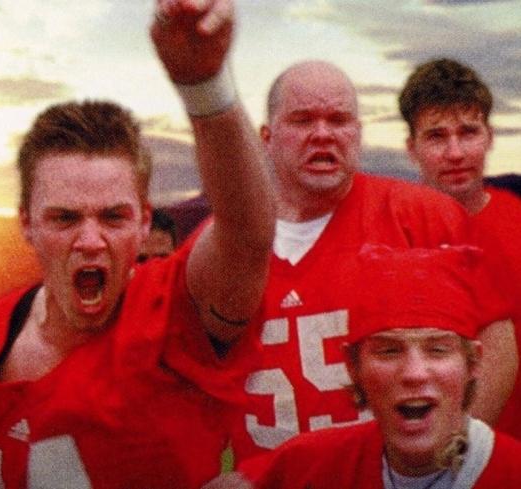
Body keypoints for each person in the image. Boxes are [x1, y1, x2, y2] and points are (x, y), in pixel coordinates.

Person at [0, 1, 275, 487]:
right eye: (65, 218)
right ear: (26, 223)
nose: (90, 241)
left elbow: (247, 234)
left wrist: (205, 86)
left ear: (144, 221)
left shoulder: (172, 313)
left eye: (113, 217)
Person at [223, 59, 515, 464]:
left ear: (357, 134)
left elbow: (497, 342)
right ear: (267, 138)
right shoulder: (222, 243)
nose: (322, 134)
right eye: (303, 120)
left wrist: (449, 461)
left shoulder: (422, 216)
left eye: (338, 120)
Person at [221, 245, 521, 489]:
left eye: (438, 350)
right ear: (353, 365)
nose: (414, 373)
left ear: (473, 363)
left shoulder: (510, 473)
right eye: (388, 351)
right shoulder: (310, 466)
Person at [400, 58, 521, 438]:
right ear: (412, 148)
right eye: (436, 136)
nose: (455, 153)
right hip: (437, 452)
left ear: (489, 137)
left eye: (468, 132)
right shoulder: (396, 237)